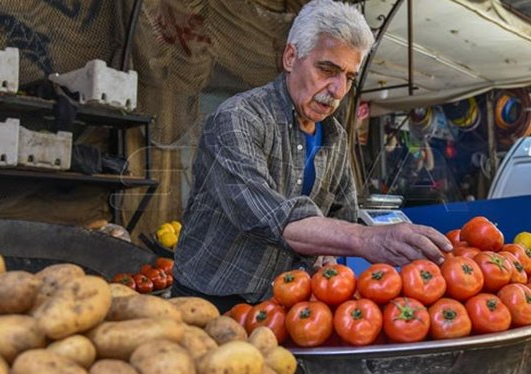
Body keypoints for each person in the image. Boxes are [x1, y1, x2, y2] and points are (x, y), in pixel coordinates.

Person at [171, 0, 452, 312]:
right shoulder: (238, 117)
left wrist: (329, 257)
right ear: (291, 57)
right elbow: (267, 216)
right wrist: (365, 239)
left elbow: (342, 211)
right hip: (211, 298)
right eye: (327, 69)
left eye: (349, 77)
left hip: (285, 301)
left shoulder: (334, 136)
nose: (336, 89)